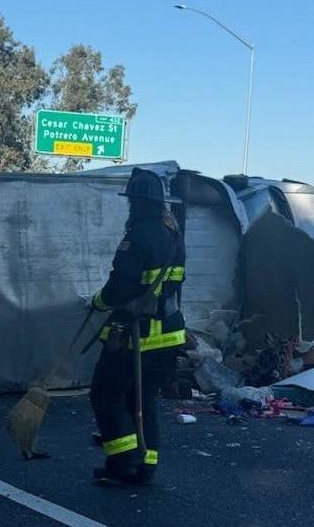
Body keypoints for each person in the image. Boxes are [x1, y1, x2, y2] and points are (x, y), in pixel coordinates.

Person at [87, 168, 187, 485]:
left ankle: (122, 462)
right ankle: (146, 464)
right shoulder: (173, 234)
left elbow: (120, 286)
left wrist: (98, 302)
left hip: (135, 336)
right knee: (143, 401)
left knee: (106, 395)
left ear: (136, 202)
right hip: (168, 334)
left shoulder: (137, 235)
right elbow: (174, 282)